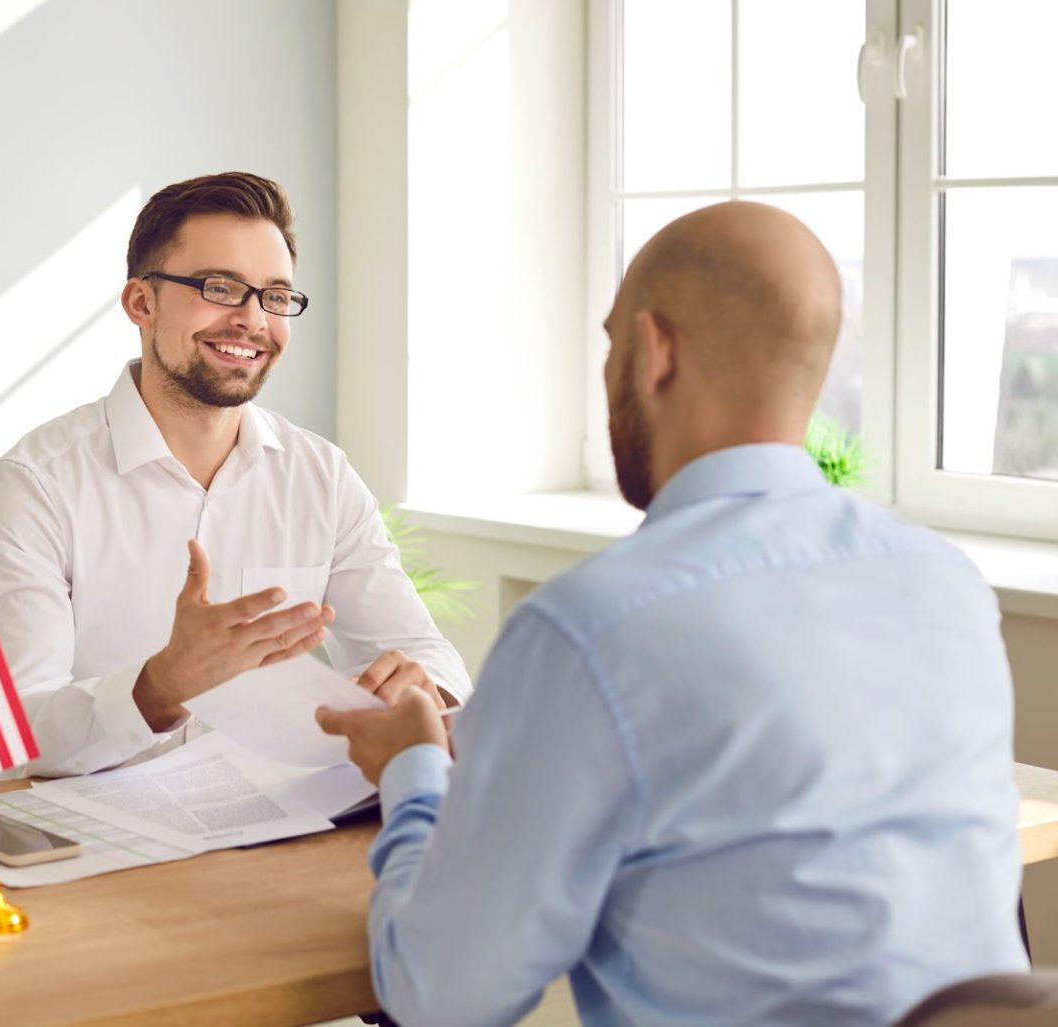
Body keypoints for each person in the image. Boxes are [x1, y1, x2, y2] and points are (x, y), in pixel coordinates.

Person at [318, 201, 1028, 1026]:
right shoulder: (944, 580)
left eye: (611, 342)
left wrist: (415, 769)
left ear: (656, 350)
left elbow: (440, 998)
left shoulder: (595, 627)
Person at [0, 171, 470, 777]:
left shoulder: (321, 476)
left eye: (276, 296)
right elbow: (14, 731)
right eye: (220, 287)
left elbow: (421, 650)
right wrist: (159, 688)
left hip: (283, 822)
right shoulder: (34, 485)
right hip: (94, 837)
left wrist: (424, 690)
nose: (253, 320)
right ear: (142, 303)